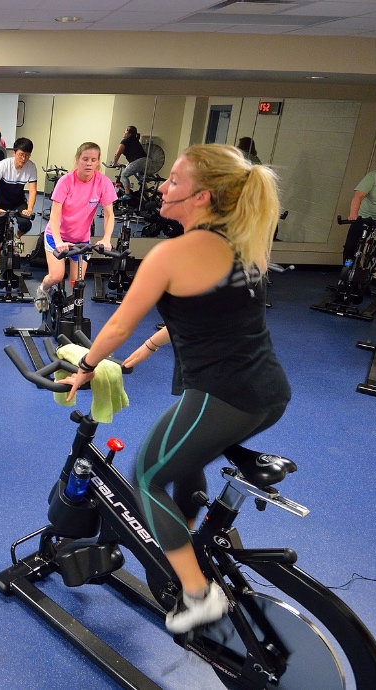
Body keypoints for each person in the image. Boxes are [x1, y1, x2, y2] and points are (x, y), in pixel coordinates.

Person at [60, 143, 290, 634]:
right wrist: (146, 352)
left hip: (222, 394)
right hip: (268, 392)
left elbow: (118, 325)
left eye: (175, 182)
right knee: (185, 463)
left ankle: (198, 595)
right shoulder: (246, 243)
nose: (162, 187)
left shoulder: (172, 253)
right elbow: (211, 313)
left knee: (146, 477)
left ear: (202, 197)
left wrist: (88, 366)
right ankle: (183, 541)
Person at [36, 142, 118, 311]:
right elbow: (54, 215)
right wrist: (58, 241)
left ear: (97, 162)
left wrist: (106, 238)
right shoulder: (66, 182)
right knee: (57, 276)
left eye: (93, 160)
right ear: (77, 160)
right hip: (56, 236)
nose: (89, 163)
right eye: (85, 159)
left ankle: (70, 319)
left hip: (81, 240)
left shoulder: (103, 182)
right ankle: (42, 290)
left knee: (77, 284)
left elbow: (109, 214)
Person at [0, 137, 38, 279]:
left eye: (27, 155)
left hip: (17, 201)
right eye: (21, 154)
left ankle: (16, 237)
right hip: (0, 201)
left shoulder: (31, 167)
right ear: (14, 153)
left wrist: (29, 209)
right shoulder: (3, 165)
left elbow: (33, 191)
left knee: (25, 223)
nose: (24, 158)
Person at [112, 125, 148, 193]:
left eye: (125, 131)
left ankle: (127, 194)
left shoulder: (125, 141)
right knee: (140, 179)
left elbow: (117, 154)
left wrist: (115, 163)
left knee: (124, 175)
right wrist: (128, 164)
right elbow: (135, 153)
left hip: (138, 161)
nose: (124, 132)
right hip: (145, 161)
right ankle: (145, 196)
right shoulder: (136, 141)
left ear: (129, 134)